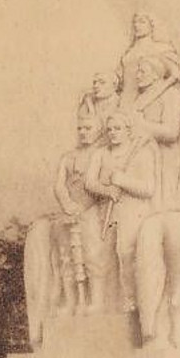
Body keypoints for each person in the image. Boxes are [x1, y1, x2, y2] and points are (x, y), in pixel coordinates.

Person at [84, 109, 159, 313]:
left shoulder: (141, 153)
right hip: (106, 213)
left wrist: (122, 181)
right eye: (109, 130)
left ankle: (132, 300)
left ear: (128, 130)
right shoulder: (100, 154)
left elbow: (148, 188)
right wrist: (107, 190)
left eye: (117, 129)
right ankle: (102, 302)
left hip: (134, 213)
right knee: (100, 255)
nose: (113, 133)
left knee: (127, 253)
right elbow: (89, 182)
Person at [52, 107, 115, 313]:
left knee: (92, 255)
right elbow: (59, 185)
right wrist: (68, 205)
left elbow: (100, 183)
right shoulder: (69, 157)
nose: (83, 132)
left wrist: (83, 206)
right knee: (66, 257)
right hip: (69, 212)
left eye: (88, 128)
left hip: (91, 211)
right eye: (80, 128)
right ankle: (71, 301)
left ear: (98, 130)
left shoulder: (102, 155)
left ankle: (95, 301)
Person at [131, 54, 180, 212]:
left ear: (156, 74)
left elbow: (172, 132)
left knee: (161, 207)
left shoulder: (171, 94)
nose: (137, 75)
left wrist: (141, 125)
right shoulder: (143, 97)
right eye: (137, 71)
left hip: (164, 158)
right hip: (143, 156)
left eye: (142, 71)